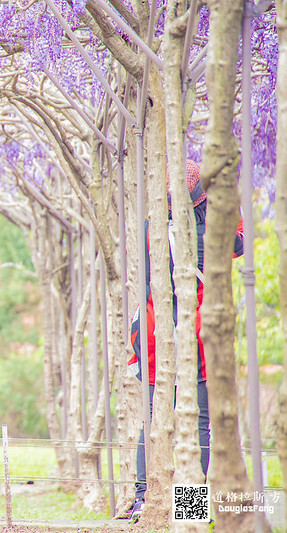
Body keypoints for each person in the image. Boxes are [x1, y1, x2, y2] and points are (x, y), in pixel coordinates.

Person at [127, 160, 244, 521]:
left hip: (155, 332)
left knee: (154, 417)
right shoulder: (214, 223)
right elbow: (238, 246)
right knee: (200, 419)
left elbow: (147, 282)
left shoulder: (153, 228)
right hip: (200, 331)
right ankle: (189, 507)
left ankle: (145, 498)